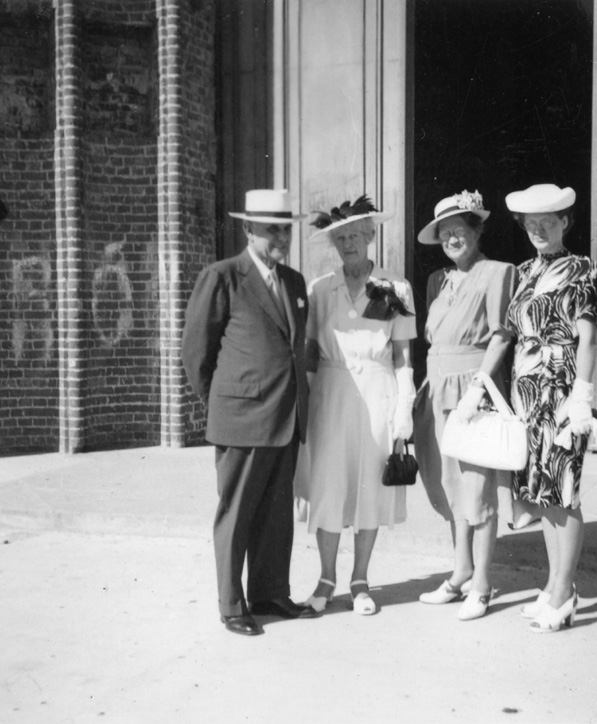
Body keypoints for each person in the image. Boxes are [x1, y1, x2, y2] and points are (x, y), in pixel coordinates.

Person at [182, 188, 318, 637]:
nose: (281, 237)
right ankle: (231, 604)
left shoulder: (295, 283)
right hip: (243, 418)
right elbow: (196, 354)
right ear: (248, 230)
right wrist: (227, 404)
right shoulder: (223, 277)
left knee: (277, 515)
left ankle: (269, 592)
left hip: (286, 418)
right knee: (236, 514)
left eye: (285, 228)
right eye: (271, 229)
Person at [294, 195, 417, 615]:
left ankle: (360, 580)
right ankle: (326, 578)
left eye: (355, 236)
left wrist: (404, 408)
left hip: (378, 392)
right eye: (340, 238)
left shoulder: (396, 288)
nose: (348, 244)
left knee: (368, 486)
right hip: (331, 393)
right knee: (328, 486)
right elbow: (310, 351)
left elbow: (402, 355)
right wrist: (303, 403)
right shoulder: (319, 290)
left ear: (371, 235)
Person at [499, 183, 597, 633]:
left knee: (565, 489)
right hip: (528, 394)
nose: (539, 230)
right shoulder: (524, 272)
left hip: (562, 394)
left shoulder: (585, 270)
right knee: (543, 493)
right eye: (531, 224)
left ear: (566, 222)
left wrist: (582, 398)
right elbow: (511, 332)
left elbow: (587, 338)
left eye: (548, 223)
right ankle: (552, 584)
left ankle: (565, 593)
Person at [413, 190, 517, 621]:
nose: (453, 238)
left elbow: (502, 334)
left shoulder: (497, 272)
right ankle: (460, 573)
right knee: (450, 486)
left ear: (477, 230)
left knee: (478, 488)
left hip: (473, 389)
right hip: (437, 388)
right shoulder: (437, 280)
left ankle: (482, 584)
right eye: (445, 233)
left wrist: (479, 385)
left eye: (460, 230)